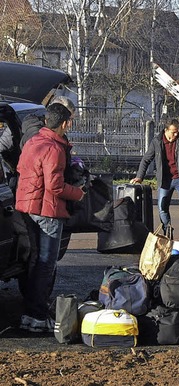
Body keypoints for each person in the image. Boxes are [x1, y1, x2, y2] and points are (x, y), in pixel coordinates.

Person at [15, 103, 85, 332]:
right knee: (46, 265)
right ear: (64, 124)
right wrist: (78, 193)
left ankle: (29, 315)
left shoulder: (33, 141)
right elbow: (55, 186)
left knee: (35, 263)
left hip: (28, 209)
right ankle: (37, 316)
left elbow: (21, 170)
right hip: (48, 211)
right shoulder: (54, 148)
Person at [131, 118, 179, 244]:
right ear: (166, 130)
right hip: (165, 180)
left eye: (177, 132)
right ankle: (167, 234)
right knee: (162, 207)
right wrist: (140, 176)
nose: (176, 134)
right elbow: (146, 159)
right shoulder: (157, 141)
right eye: (173, 132)